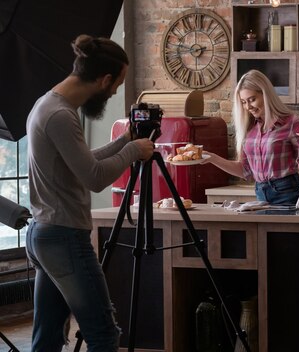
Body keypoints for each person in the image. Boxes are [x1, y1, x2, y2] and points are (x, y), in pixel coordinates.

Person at [25, 34, 154, 351]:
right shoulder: (61, 115)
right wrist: (136, 150)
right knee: (103, 334)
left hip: (44, 234)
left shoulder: (49, 104)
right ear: (104, 79)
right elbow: (95, 177)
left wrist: (125, 141)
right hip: (65, 237)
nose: (113, 92)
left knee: (48, 336)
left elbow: (80, 163)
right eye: (116, 85)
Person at [204, 70, 299, 205]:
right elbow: (245, 171)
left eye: (252, 100)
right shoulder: (249, 128)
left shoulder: (291, 123)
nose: (248, 107)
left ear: (265, 95)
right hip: (260, 193)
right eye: (243, 102)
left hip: (287, 193)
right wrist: (212, 158)